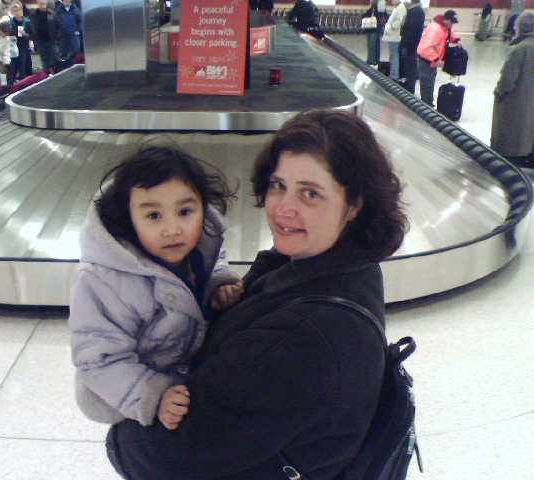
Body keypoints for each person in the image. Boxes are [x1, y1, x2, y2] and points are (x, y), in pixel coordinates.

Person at [105, 110, 408, 480]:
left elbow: (169, 455)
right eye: (279, 185)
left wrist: (120, 428)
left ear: (354, 205)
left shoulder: (298, 338)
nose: (283, 208)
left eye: (310, 194)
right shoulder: (347, 267)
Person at [69, 146, 242, 429]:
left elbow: (215, 264)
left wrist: (218, 285)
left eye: (185, 211)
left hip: (183, 372)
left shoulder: (200, 246)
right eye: (153, 216)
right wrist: (153, 395)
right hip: (124, 394)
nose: (172, 229)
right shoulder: (101, 280)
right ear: (128, 218)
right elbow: (98, 358)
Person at [491, 12, 534, 169]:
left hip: (516, 105)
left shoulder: (519, 49)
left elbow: (507, 81)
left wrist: (498, 93)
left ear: (521, 27)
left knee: (513, 137)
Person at [417, 9, 460, 107]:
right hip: (426, 61)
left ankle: (428, 104)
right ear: (446, 19)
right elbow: (425, 49)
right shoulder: (435, 29)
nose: (452, 25)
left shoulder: (444, 27)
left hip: (431, 61)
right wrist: (437, 59)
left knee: (430, 83)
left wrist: (456, 40)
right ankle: (426, 106)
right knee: (427, 85)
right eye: (451, 22)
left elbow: (448, 34)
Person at [1, 1, 32, 82]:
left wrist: (25, 34)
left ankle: (23, 83)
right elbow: (4, 35)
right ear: (12, 12)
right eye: (14, 10)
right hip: (13, 49)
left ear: (21, 10)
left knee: (23, 68)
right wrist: (9, 36)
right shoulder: (10, 23)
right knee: (12, 68)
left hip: (24, 49)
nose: (17, 12)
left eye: (18, 10)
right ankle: (11, 84)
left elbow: (33, 36)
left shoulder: (27, 22)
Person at [399, 0, 424, 94]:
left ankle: (409, 90)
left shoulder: (415, 12)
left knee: (410, 68)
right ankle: (409, 87)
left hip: (410, 45)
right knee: (409, 67)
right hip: (411, 44)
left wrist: (406, 45)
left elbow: (409, 30)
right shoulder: (416, 11)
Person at [28, 0, 57, 71]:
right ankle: (46, 73)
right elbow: (30, 27)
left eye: (44, 4)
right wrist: (33, 38)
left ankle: (53, 72)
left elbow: (57, 25)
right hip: (40, 41)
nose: (43, 6)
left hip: (51, 40)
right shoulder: (33, 15)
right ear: (38, 4)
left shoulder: (51, 14)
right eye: (41, 4)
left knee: (53, 59)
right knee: (43, 60)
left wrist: (57, 36)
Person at [382, 0, 406, 80]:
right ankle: (393, 73)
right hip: (392, 36)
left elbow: (398, 23)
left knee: (394, 56)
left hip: (395, 36)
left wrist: (389, 27)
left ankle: (394, 75)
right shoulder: (397, 8)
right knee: (392, 56)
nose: (391, 1)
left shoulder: (401, 8)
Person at [362, 0, 387, 66]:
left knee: (373, 45)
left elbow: (383, 17)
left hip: (375, 29)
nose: (371, 1)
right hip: (370, 29)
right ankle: (371, 59)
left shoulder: (380, 8)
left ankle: (373, 60)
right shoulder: (372, 8)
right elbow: (367, 14)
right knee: (370, 45)